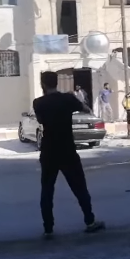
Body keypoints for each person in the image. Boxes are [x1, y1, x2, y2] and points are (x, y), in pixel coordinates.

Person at [33, 71, 105, 238]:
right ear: (57, 82)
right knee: (79, 187)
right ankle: (90, 221)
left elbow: (41, 120)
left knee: (47, 190)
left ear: (43, 84)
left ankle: (48, 229)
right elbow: (86, 108)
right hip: (67, 149)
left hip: (48, 150)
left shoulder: (38, 103)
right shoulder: (68, 99)